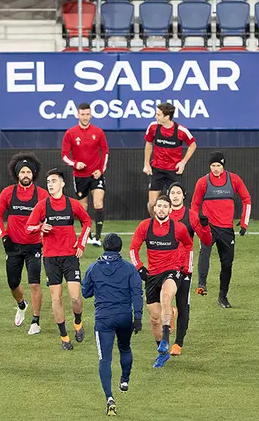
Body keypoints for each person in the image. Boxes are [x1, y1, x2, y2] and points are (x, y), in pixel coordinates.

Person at [26, 168, 92, 350]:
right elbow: (29, 227)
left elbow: (87, 222)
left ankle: (77, 323)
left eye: (54, 181)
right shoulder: (42, 206)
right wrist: (40, 227)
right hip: (50, 258)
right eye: (48, 182)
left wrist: (81, 244)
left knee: (76, 297)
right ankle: (64, 336)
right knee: (56, 299)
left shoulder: (72, 204)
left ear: (62, 183)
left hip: (70, 256)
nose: (50, 185)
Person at [82, 234, 143, 417]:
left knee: (105, 359)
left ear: (105, 247)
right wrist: (138, 317)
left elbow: (86, 293)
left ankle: (109, 398)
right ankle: (124, 380)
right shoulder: (130, 269)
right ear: (119, 248)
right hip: (125, 317)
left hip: (104, 319)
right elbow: (137, 293)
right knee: (125, 347)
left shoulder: (93, 268)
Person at [129, 195, 193, 368]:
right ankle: (162, 352)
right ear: (154, 208)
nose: (162, 209)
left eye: (166, 206)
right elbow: (133, 249)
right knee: (154, 319)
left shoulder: (178, 228)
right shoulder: (145, 226)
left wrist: (187, 267)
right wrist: (139, 268)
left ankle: (166, 340)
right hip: (152, 275)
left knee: (166, 297)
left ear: (170, 210)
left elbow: (188, 245)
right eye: (159, 206)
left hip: (172, 272)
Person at [0, 153, 49, 333]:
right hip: (13, 247)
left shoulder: (42, 194)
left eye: (28, 172)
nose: (26, 175)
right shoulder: (7, 193)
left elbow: (49, 220)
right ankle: (21, 304)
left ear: (33, 174)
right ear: (17, 174)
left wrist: (41, 232)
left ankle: (35, 321)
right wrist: (4, 236)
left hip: (34, 246)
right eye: (22, 172)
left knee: (34, 283)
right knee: (13, 283)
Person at [190, 152, 251, 307]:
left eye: (218, 165)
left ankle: (222, 297)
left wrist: (244, 223)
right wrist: (197, 223)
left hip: (226, 230)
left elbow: (247, 199)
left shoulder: (234, 180)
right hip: (208, 228)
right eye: (213, 166)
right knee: (205, 253)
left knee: (227, 264)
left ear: (223, 166)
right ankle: (201, 284)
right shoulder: (203, 182)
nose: (215, 169)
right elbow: (194, 205)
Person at [167, 182, 212, 355]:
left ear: (184, 196)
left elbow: (207, 241)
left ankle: (178, 343)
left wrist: (205, 226)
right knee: (159, 302)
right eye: (173, 193)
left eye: (178, 192)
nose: (175, 196)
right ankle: (168, 317)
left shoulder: (191, 215)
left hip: (184, 266)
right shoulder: (163, 213)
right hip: (164, 265)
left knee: (183, 305)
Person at [62, 103, 109, 247]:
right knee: (82, 207)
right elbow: (64, 155)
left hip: (96, 174)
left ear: (91, 115)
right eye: (82, 114)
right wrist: (75, 164)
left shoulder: (98, 132)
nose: (85, 117)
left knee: (98, 202)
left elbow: (105, 151)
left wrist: (101, 170)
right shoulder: (70, 133)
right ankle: (87, 235)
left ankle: (98, 237)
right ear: (78, 115)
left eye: (87, 114)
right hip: (80, 175)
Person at [142, 102, 197, 216]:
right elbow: (148, 143)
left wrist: (183, 162)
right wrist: (146, 163)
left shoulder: (181, 130)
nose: (155, 117)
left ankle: (172, 228)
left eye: (158, 115)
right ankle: (156, 224)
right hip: (157, 169)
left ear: (167, 117)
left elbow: (193, 145)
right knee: (152, 204)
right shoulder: (153, 127)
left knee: (174, 204)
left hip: (173, 171)